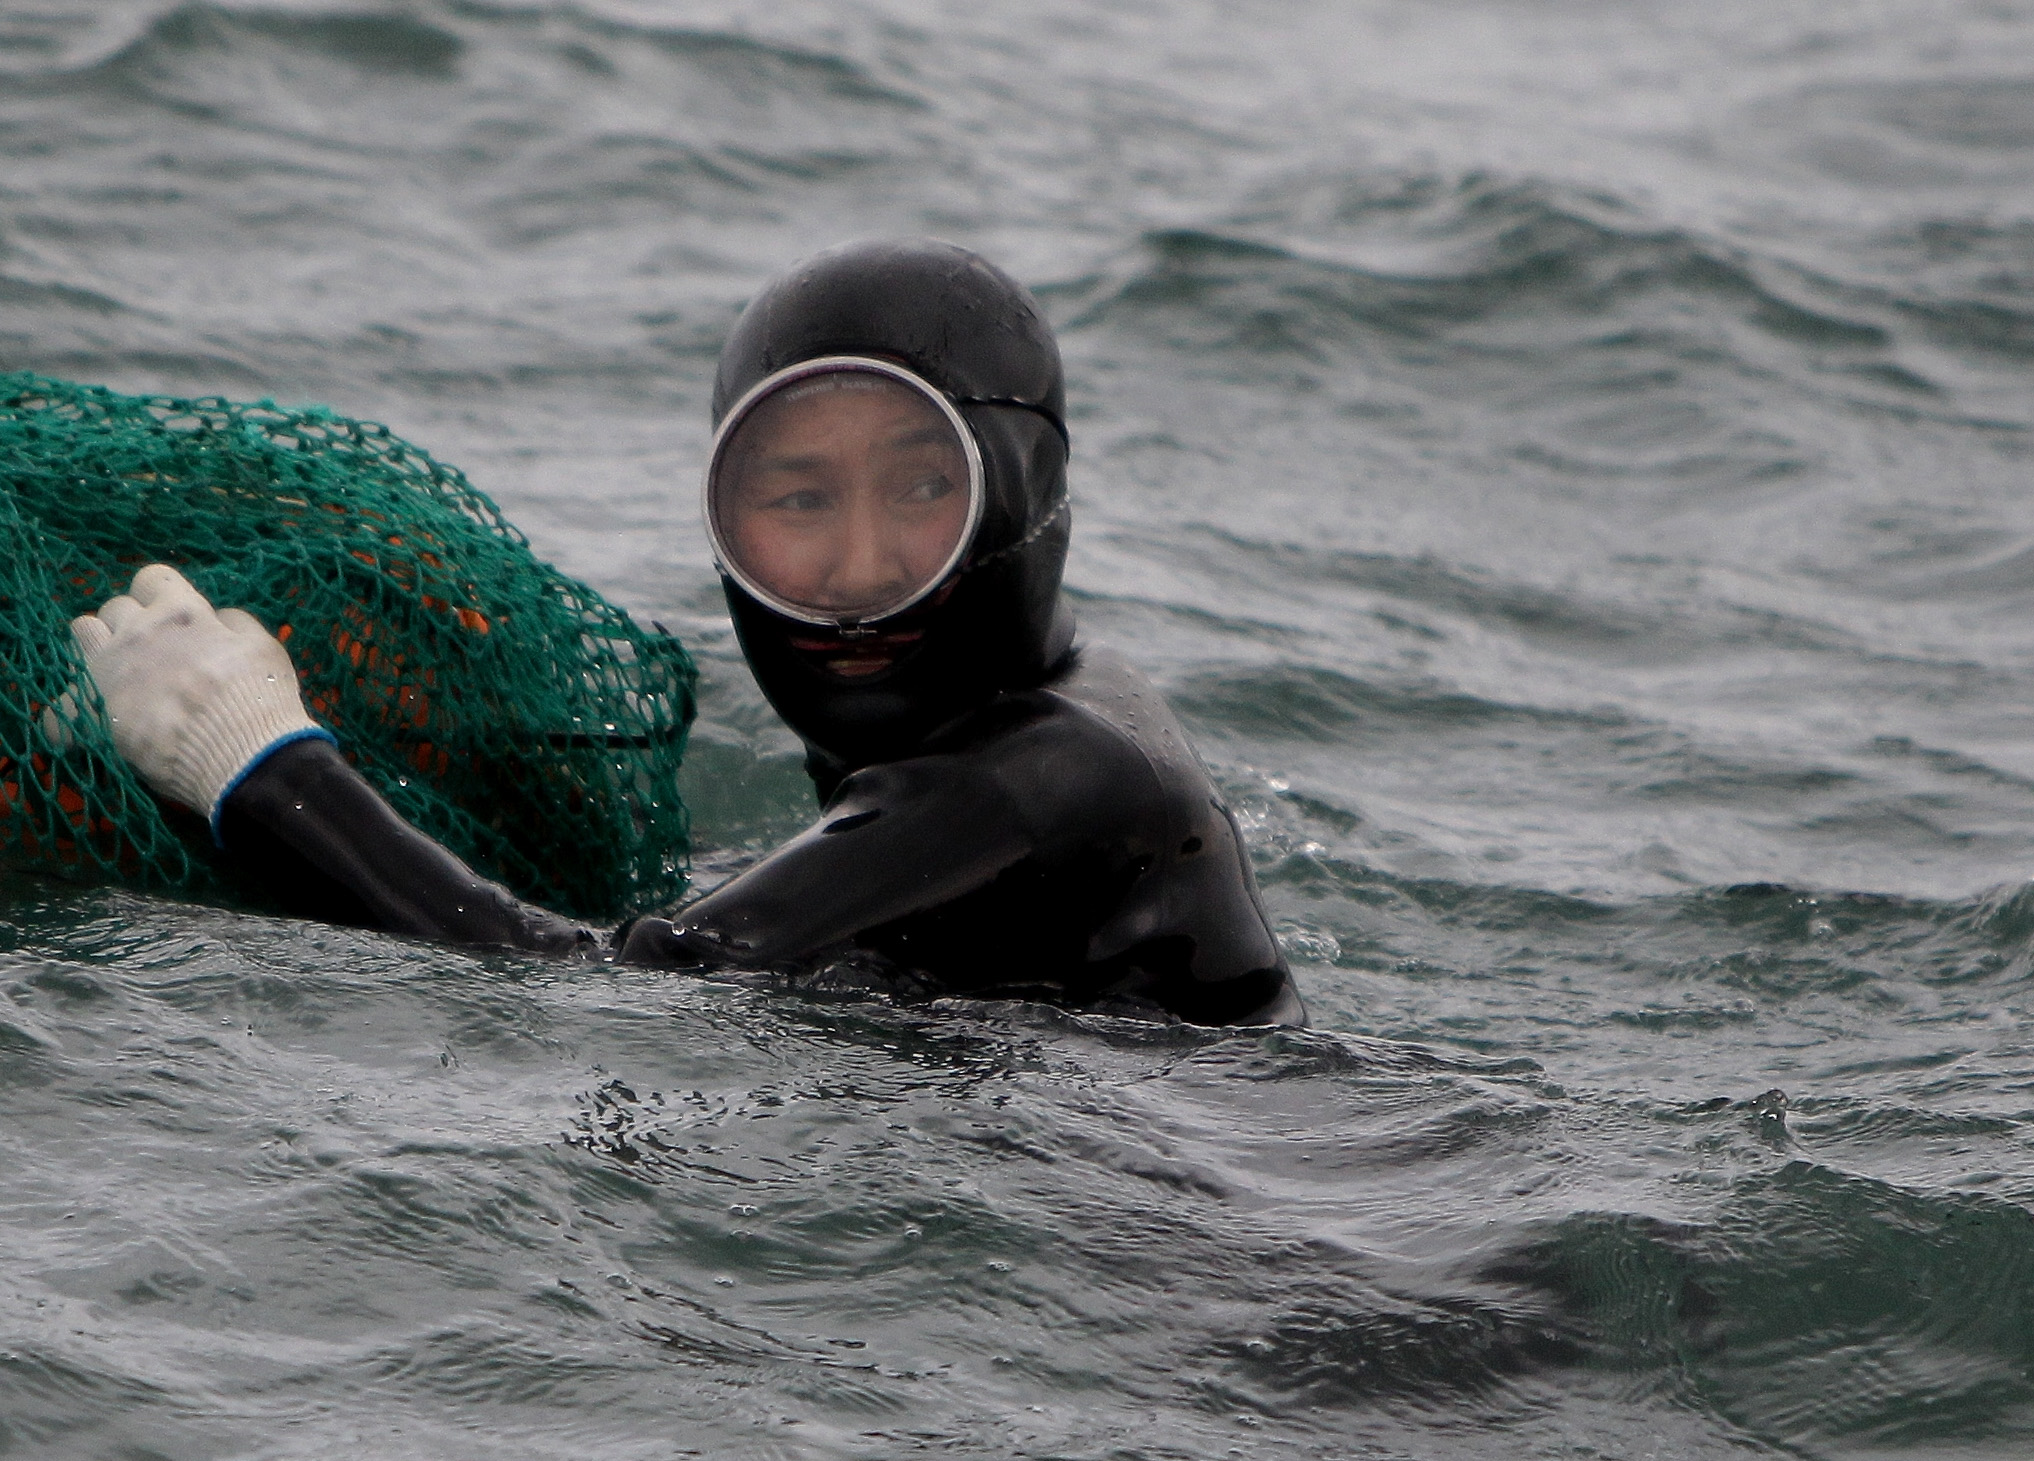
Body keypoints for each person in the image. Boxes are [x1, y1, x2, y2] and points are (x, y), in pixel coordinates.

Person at [65, 239, 1302, 1025]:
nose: (860, 571)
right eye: (799, 502)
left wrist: (264, 764)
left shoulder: (1038, 778)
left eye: (927, 491)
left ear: (1027, 502)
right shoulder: (1065, 718)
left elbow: (629, 992)